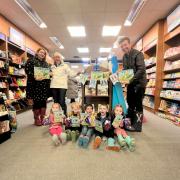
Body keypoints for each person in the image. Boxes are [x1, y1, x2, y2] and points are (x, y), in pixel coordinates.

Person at [119, 37, 147, 132]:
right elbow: (126, 70)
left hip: (139, 83)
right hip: (131, 83)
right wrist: (121, 76)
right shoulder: (124, 57)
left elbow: (141, 69)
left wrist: (131, 79)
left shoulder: (138, 54)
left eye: (125, 45)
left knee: (138, 104)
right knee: (130, 102)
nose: (124, 47)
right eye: (122, 46)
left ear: (129, 44)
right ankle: (129, 122)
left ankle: (138, 126)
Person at [25, 48, 50, 126]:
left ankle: (43, 118)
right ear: (37, 52)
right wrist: (36, 75)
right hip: (34, 85)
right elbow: (27, 71)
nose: (42, 54)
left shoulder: (46, 63)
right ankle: (36, 119)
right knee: (36, 103)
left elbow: (47, 74)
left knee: (43, 102)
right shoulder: (31, 60)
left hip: (43, 86)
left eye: (44, 53)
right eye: (41, 52)